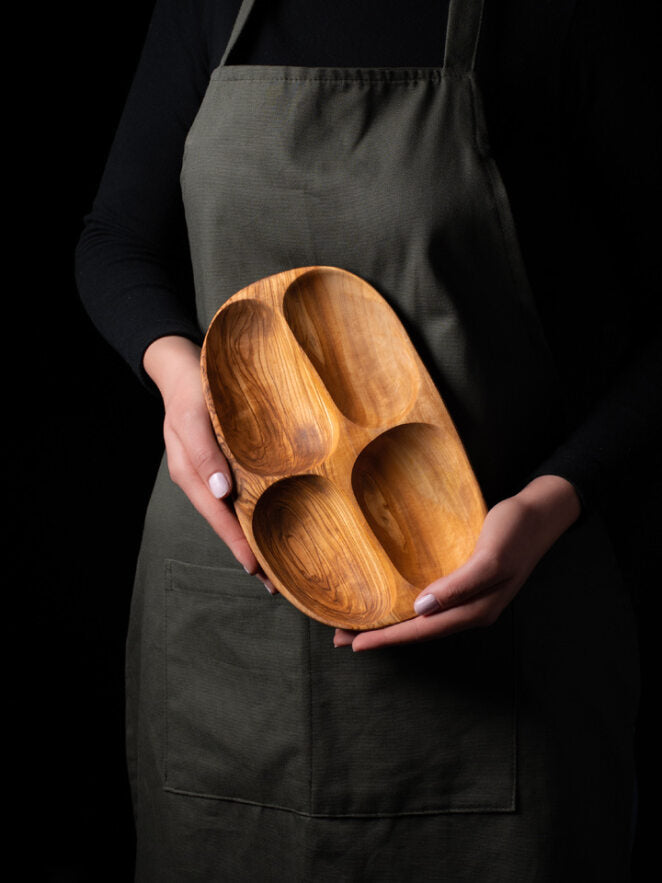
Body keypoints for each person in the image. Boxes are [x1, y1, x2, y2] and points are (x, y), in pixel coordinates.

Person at [76, 0, 658, 879]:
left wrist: (550, 504)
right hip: (230, 641)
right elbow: (113, 240)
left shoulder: (560, 21)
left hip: (498, 621)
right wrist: (175, 370)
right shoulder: (203, 12)